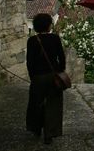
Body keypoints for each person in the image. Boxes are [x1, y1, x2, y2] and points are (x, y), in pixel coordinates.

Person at [26, 13, 66, 145]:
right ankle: (49, 133)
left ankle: (36, 128)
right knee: (53, 105)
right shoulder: (55, 39)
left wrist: (33, 77)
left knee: (36, 103)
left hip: (38, 77)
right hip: (52, 76)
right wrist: (60, 71)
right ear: (49, 26)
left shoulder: (32, 41)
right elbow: (61, 57)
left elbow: (29, 62)